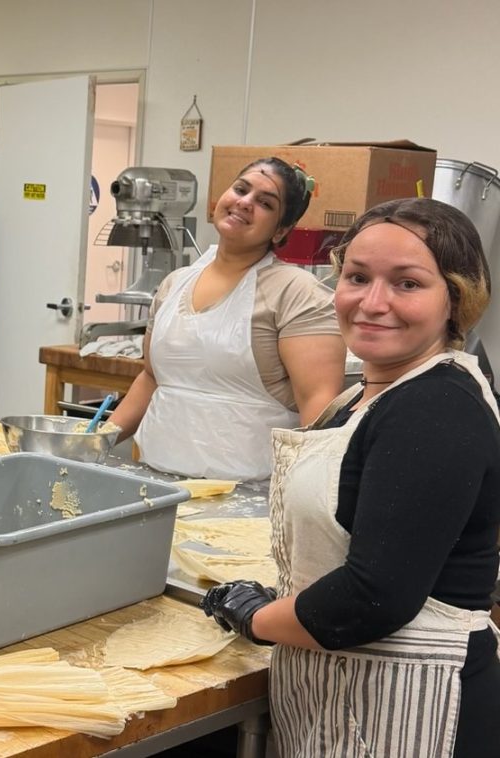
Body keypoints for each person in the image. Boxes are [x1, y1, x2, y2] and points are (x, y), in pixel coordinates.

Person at [202, 198, 500, 757]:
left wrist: (253, 617)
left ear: (455, 300)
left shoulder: (435, 407)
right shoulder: (369, 393)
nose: (373, 302)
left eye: (407, 284)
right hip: (351, 692)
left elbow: (373, 597)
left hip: (420, 704)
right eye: (357, 277)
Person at [108, 156, 346, 481]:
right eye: (241, 189)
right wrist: (95, 441)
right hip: (156, 481)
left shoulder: (296, 293)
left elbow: (318, 407)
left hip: (248, 497)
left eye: (265, 202)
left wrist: (302, 494)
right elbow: (151, 377)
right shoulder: (174, 285)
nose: (245, 203)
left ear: (281, 230)